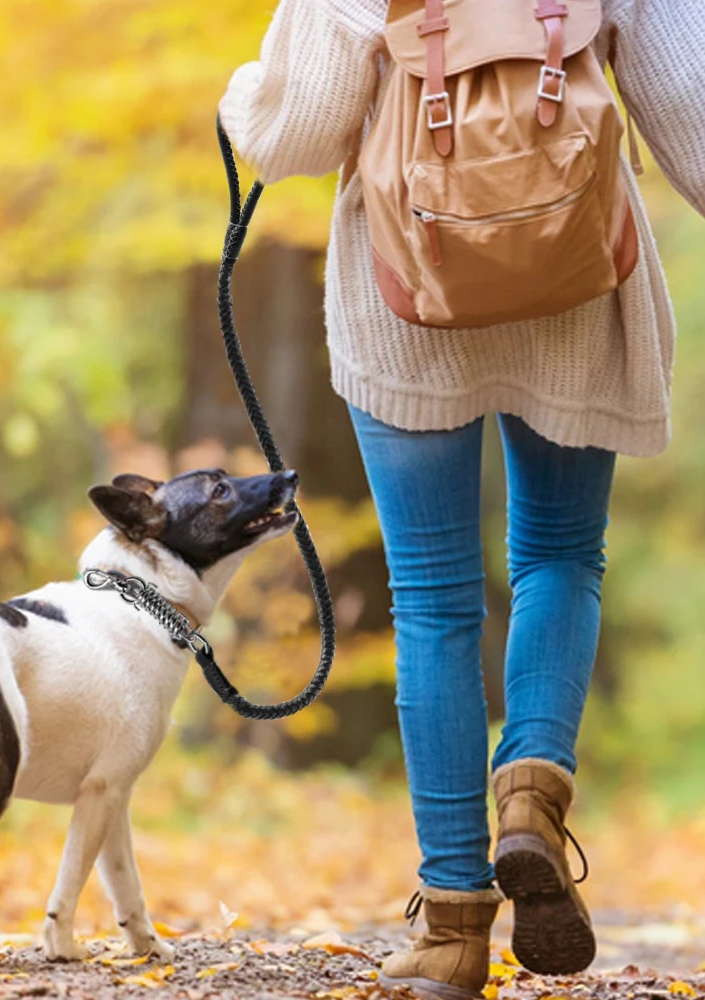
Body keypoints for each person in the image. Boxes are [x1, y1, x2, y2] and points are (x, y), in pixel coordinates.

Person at [219, 1, 705, 997]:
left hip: (412, 284)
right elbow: (690, 104)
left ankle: (450, 930)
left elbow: (298, 126)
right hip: (575, 278)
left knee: (433, 599)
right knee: (560, 554)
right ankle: (530, 785)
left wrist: (240, 107)